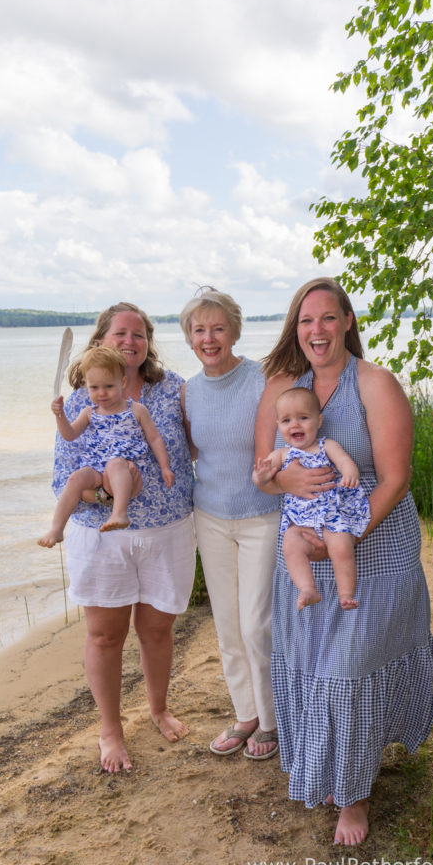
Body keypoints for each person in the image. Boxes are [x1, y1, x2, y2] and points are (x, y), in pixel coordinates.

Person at [255, 278, 433, 845]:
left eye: (328, 318)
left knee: (350, 668)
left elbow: (396, 478)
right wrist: (283, 482)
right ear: (295, 328)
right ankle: (328, 766)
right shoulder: (284, 389)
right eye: (306, 321)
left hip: (374, 548)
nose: (317, 331)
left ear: (348, 321)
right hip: (304, 551)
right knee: (316, 663)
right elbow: (262, 470)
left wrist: (346, 537)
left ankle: (354, 795)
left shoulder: (375, 384)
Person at [51, 303, 195, 773]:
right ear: (101, 341)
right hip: (101, 537)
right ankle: (110, 729)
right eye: (120, 333)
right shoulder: (81, 400)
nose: (130, 341)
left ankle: (158, 709)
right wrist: (108, 492)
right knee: (104, 635)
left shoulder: (172, 389)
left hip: (167, 530)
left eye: (139, 334)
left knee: (156, 630)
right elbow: (63, 477)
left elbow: (199, 445)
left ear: (148, 342)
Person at [179, 287, 281, 760]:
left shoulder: (263, 380)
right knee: (227, 624)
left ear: (235, 332)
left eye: (218, 328)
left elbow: (287, 441)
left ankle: (273, 719)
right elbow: (192, 451)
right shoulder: (189, 392)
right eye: (199, 330)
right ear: (189, 338)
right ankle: (246, 714)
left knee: (257, 624)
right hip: (211, 517)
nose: (209, 338)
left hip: (262, 515)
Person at [39, 347, 173, 546]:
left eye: (109, 386)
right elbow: (69, 435)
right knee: (75, 478)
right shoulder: (89, 412)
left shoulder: (136, 410)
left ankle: (119, 513)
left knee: (115, 463)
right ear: (87, 386)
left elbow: (154, 439)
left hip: (126, 471)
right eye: (94, 388)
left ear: (123, 382)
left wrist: (165, 467)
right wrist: (60, 416)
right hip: (96, 468)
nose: (101, 393)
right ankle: (57, 528)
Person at [252, 386, 370, 611]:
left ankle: (346, 593)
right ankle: (307, 588)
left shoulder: (327, 446)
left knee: (342, 546)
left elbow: (344, 461)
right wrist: (261, 476)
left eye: (303, 418)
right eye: (286, 420)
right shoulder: (282, 454)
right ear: (278, 425)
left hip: (331, 515)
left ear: (319, 420)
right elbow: (261, 479)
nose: (294, 425)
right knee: (290, 546)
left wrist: (349, 473)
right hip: (299, 521)